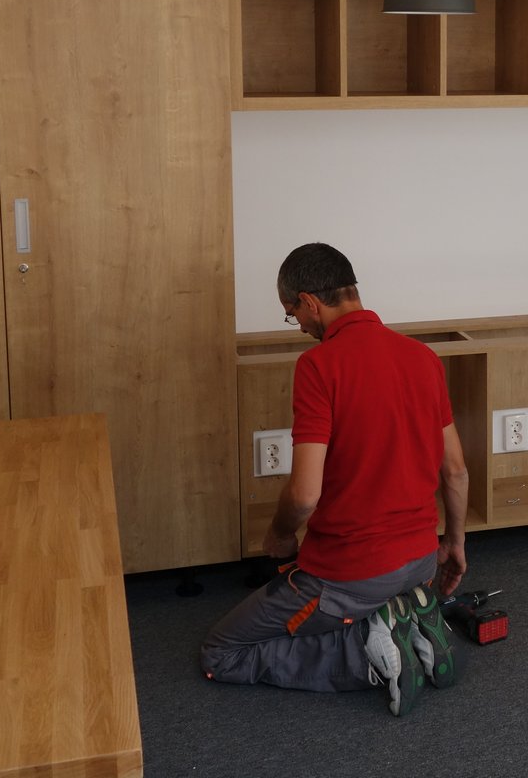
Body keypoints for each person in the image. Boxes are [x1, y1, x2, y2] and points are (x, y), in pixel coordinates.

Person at [200, 242, 471, 716]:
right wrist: (454, 543)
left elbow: (305, 495)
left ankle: (368, 651)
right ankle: (405, 621)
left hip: (351, 575)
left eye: (293, 314)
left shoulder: (319, 366)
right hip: (421, 562)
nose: (300, 326)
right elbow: (456, 470)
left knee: (220, 653)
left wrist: (280, 535)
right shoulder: (423, 358)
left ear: (309, 301)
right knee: (355, 600)